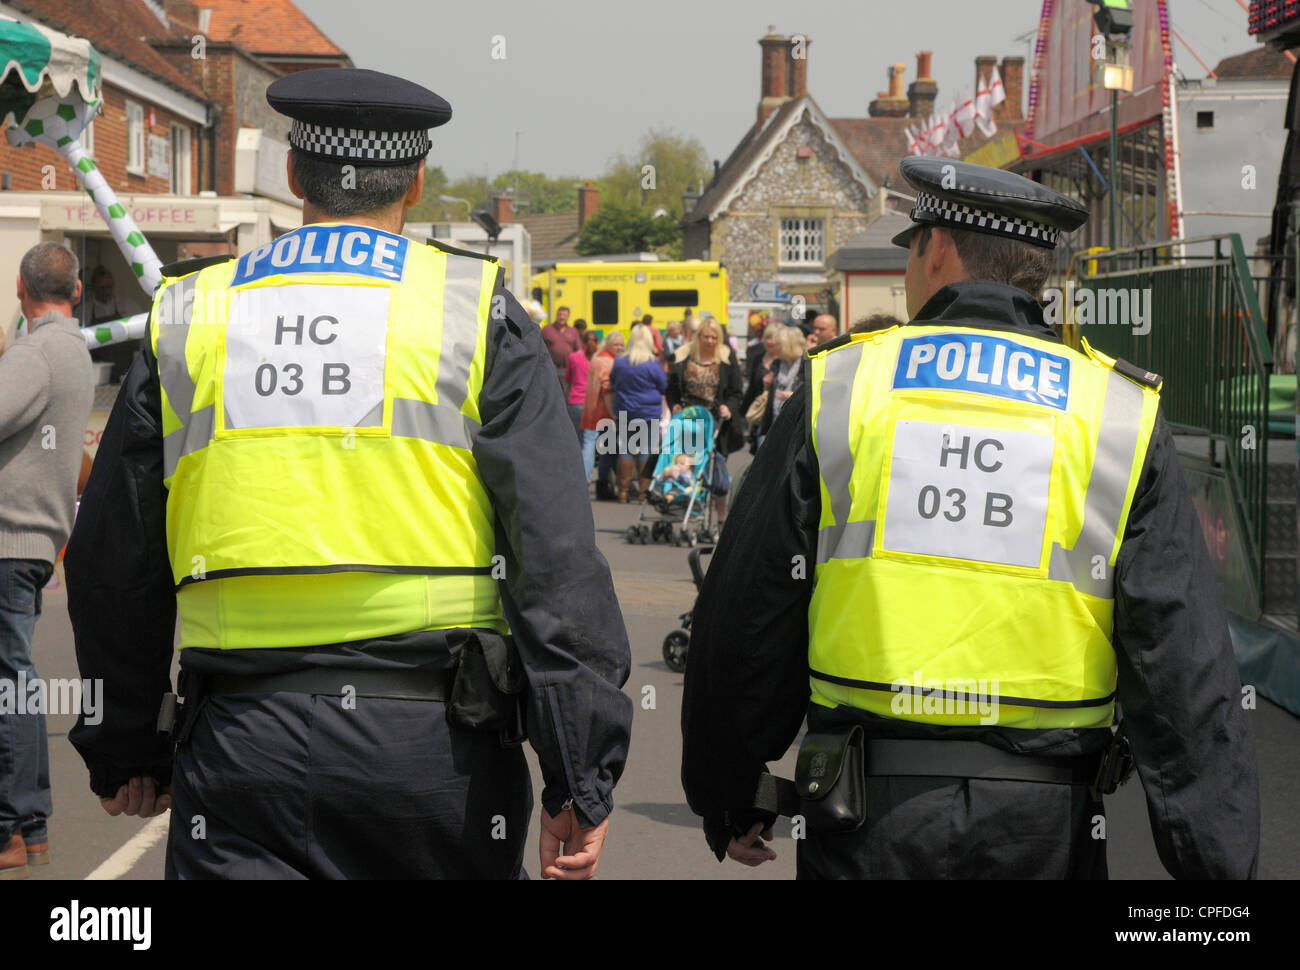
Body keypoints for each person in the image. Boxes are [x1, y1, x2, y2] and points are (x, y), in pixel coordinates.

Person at [65, 68, 633, 880]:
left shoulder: (192, 314)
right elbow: (555, 558)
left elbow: (113, 556)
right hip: (436, 756)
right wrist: (580, 772)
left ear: (296, 176)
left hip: (239, 744)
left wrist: (129, 741)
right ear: (419, 180)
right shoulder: (475, 310)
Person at [681, 156, 1260, 879]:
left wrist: (732, 785)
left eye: (912, 248)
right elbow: (1182, 660)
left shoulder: (845, 386)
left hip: (867, 820)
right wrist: (1217, 869)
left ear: (942, 249)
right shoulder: (1114, 412)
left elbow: (747, 605)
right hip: (1046, 828)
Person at [0, 243, 94, 879]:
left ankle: (12, 823)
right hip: (37, 541)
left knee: (9, 684)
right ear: (79, 291)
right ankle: (27, 826)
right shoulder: (75, 351)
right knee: (17, 682)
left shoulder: (36, 353)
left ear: (19, 287)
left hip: (9, 539)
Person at [667, 316, 743, 527]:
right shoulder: (684, 356)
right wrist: (674, 404)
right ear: (699, 336)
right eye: (706, 336)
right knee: (687, 466)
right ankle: (691, 510)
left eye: (714, 337)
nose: (710, 340)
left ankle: (719, 517)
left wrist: (728, 407)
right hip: (688, 420)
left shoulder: (726, 358)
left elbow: (736, 391)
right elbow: (671, 387)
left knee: (715, 468)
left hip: (715, 421)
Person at [608, 324, 666, 503]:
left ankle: (623, 491)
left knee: (626, 449)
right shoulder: (653, 363)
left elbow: (613, 383)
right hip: (649, 411)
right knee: (647, 450)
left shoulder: (620, 361)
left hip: (626, 409)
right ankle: (643, 493)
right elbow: (663, 385)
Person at [581, 330, 624, 494]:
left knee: (594, 445)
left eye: (621, 345)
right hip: (604, 412)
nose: (619, 348)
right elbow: (607, 390)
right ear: (608, 344)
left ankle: (593, 479)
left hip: (592, 409)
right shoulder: (608, 361)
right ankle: (603, 483)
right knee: (607, 449)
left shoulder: (597, 358)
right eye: (616, 344)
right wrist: (614, 414)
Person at [757, 324, 805, 448]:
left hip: (794, 429)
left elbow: (813, 393)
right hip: (773, 424)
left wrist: (794, 396)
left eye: (778, 344)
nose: (774, 346)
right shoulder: (777, 364)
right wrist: (767, 385)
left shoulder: (806, 365)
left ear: (788, 345)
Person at [565, 330, 598, 443]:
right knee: (589, 440)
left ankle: (577, 460)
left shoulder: (573, 357)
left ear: (582, 342)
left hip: (576, 402)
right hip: (593, 403)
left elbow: (568, 379)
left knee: (577, 439)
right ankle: (586, 461)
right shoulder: (601, 360)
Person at [541, 305, 581, 385]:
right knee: (552, 393)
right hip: (551, 368)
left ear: (568, 317)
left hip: (568, 369)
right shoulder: (546, 329)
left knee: (566, 394)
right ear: (556, 315)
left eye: (565, 315)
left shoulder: (573, 331)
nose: (562, 317)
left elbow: (579, 350)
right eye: (560, 315)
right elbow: (539, 347)